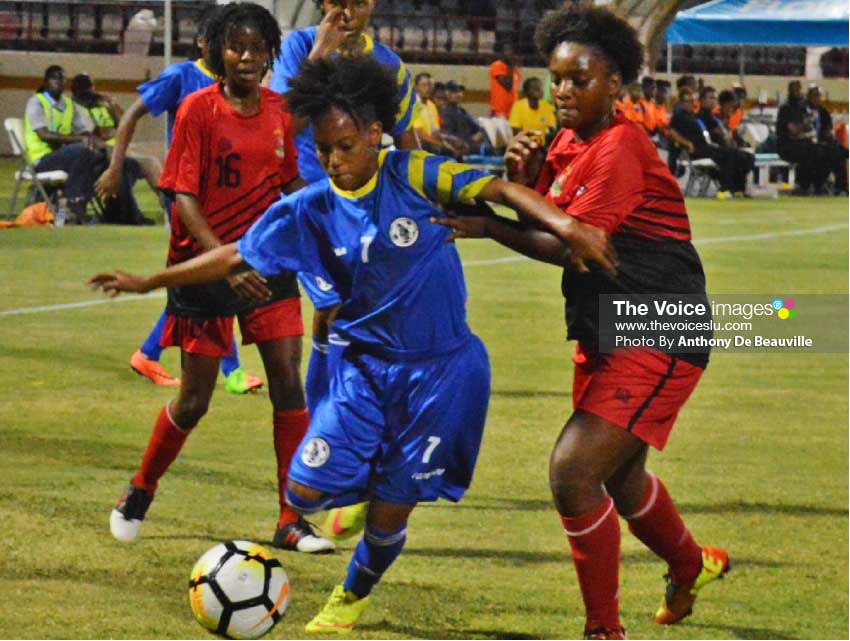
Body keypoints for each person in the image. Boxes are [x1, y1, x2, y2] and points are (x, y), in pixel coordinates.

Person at [88, 55, 614, 634]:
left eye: (344, 146)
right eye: (323, 150)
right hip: (363, 371)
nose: (333, 162)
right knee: (305, 492)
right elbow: (235, 253)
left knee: (390, 515)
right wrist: (148, 282)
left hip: (442, 375)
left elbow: (505, 190)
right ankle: (372, 483)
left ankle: (352, 596)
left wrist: (569, 227)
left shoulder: (416, 174)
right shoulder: (308, 207)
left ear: (373, 133)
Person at [436, 7, 729, 639]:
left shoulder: (621, 146)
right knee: (621, 480)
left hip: (660, 327)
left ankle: (604, 631)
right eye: (559, 79)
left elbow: (575, 245)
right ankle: (690, 565)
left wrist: (489, 222)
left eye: (581, 80)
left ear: (616, 83)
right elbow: (547, 213)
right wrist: (522, 175)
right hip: (607, 324)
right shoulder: (570, 143)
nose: (565, 92)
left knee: (573, 472)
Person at [101, 2, 333, 554]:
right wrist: (225, 263)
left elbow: (288, 182)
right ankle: (139, 489)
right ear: (217, 51)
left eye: (257, 47)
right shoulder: (198, 111)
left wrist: (327, 216)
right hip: (204, 268)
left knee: (287, 381)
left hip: (265, 265)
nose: (247, 57)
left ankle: (290, 518)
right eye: (237, 46)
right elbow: (182, 195)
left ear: (269, 52)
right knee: (195, 401)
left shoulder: (277, 112)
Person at [95, 5, 261, 393]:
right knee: (217, 274)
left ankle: (149, 353)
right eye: (221, 38)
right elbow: (131, 116)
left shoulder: (234, 83)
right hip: (187, 196)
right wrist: (116, 167)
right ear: (204, 41)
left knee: (199, 283)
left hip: (223, 198)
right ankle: (230, 371)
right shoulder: (181, 76)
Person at [268, 0, 418, 418]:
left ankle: (338, 401)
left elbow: (406, 141)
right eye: (338, 0)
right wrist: (319, 56)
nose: (348, 11)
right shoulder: (299, 48)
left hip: (365, 206)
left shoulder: (388, 65)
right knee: (334, 304)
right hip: (308, 201)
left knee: (359, 307)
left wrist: (424, 202)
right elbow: (277, 131)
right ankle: (328, 412)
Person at [23, 65, 106, 223]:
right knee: (83, 150)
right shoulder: (36, 102)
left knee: (99, 155)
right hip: (41, 159)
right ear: (46, 82)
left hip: (65, 157)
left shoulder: (69, 105)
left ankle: (84, 202)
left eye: (62, 79)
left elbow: (82, 132)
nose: (59, 82)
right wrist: (80, 140)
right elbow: (44, 135)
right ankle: (73, 200)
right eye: (55, 78)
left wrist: (93, 140)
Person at [70, 73, 152, 226]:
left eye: (89, 86)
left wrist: (113, 105)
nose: (89, 91)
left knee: (136, 164)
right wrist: (111, 134)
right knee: (132, 165)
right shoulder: (75, 109)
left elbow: (125, 124)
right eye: (83, 87)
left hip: (117, 148)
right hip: (101, 153)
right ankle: (131, 215)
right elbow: (96, 134)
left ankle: (126, 214)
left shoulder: (102, 105)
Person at [670, 88, 751, 197]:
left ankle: (738, 189)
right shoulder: (679, 116)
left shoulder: (693, 116)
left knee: (743, 155)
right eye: (688, 101)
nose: (692, 103)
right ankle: (725, 189)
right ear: (681, 103)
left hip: (706, 147)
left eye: (692, 100)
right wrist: (687, 143)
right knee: (729, 154)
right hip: (697, 150)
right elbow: (672, 132)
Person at [411, 71, 464, 158]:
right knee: (439, 149)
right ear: (416, 87)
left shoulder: (431, 106)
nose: (428, 88)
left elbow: (436, 133)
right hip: (418, 142)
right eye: (424, 85)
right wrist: (442, 145)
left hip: (430, 141)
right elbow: (419, 135)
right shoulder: (414, 105)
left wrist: (448, 144)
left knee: (458, 146)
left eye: (430, 85)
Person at [440, 81, 490, 155]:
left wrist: (480, 133)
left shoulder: (461, 111)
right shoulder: (445, 112)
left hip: (471, 147)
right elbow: (449, 136)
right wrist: (470, 140)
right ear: (447, 94)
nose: (459, 94)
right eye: (455, 92)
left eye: (460, 91)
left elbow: (476, 127)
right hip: (459, 150)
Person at [508, 77, 556, 142]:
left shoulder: (546, 106)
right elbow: (516, 131)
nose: (539, 89)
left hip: (542, 146)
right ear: (526, 91)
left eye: (540, 87)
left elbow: (552, 129)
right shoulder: (518, 106)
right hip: (524, 145)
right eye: (534, 87)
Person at [488, 41, 522, 118]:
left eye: (512, 51)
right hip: (499, 113)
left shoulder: (516, 70)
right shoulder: (496, 66)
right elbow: (508, 86)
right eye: (507, 50)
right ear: (501, 53)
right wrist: (510, 66)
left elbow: (514, 90)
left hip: (513, 112)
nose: (510, 53)